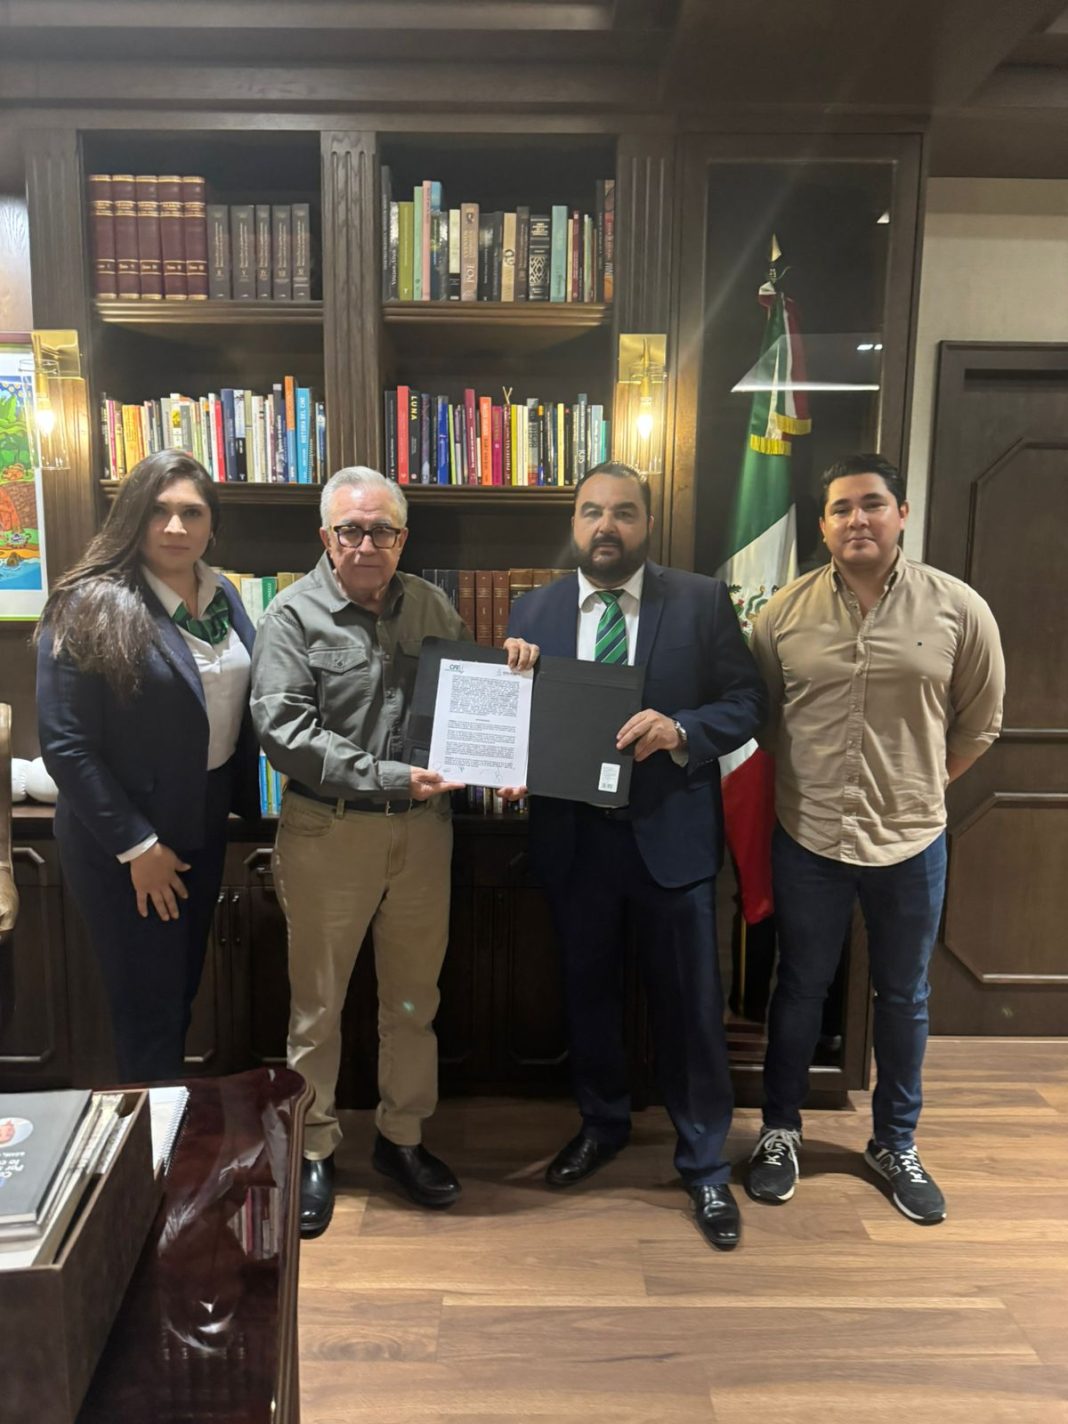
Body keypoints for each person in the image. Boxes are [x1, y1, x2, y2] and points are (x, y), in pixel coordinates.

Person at [250, 466, 537, 1238]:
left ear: (402, 538)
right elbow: (284, 732)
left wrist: (504, 731)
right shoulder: (290, 616)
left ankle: (401, 1139)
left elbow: (467, 704)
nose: (366, 543)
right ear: (327, 537)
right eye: (351, 529)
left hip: (423, 834)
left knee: (414, 1001)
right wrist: (387, 777)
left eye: (382, 530)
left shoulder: (432, 606)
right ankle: (314, 1148)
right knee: (318, 1006)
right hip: (329, 832)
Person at [506, 461, 767, 1252]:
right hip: (574, 841)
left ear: (647, 523)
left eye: (623, 512)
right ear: (574, 524)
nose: (606, 526)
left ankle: (705, 1163)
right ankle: (603, 1124)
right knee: (588, 995)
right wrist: (511, 734)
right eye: (592, 512)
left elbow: (747, 702)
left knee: (690, 1010)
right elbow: (517, 718)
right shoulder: (534, 610)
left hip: (671, 840)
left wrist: (681, 730)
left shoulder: (700, 600)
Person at [747, 453, 1005, 1224]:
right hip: (809, 836)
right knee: (799, 987)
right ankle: (780, 1131)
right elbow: (764, 721)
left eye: (872, 504)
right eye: (840, 508)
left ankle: (895, 1142)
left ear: (901, 515)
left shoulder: (960, 609)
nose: (856, 519)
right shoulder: (781, 615)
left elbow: (978, 724)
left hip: (911, 842)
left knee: (905, 995)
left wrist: (920, 787)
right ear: (824, 524)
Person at [36, 452, 260, 1082]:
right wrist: (138, 846)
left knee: (179, 989)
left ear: (212, 525)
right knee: (148, 1007)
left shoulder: (223, 595)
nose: (175, 527)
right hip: (127, 838)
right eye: (159, 511)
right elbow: (66, 745)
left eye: (192, 512)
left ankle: (166, 1124)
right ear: (133, 517)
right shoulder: (87, 604)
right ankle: (153, 1139)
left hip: (202, 819)